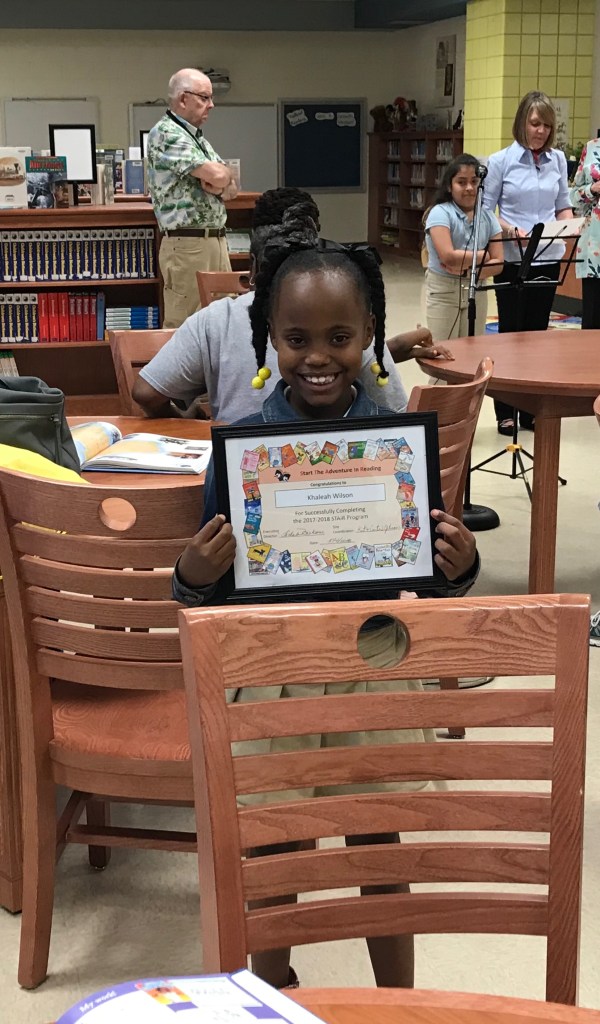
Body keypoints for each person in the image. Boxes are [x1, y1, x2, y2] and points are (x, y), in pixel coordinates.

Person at [172, 211, 480, 991]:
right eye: (297, 338)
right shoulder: (242, 451)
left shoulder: (394, 445)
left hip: (375, 663)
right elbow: (207, 593)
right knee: (277, 851)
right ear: (269, 340)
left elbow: (430, 574)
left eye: (340, 337)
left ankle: (398, 1000)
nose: (318, 357)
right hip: (275, 675)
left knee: (380, 849)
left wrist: (460, 564)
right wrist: (194, 573)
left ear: (370, 335)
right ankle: (271, 991)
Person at [133, 187, 452, 422]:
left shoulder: (217, 319)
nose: (316, 356)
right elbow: (392, 416)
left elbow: (146, 393)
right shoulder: (341, 313)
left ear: (253, 267)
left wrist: (190, 422)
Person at [483, 91, 573, 435]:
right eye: (535, 124)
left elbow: (562, 204)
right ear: (522, 122)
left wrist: (569, 225)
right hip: (512, 258)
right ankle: (505, 410)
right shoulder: (500, 161)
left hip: (547, 256)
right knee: (510, 333)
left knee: (537, 336)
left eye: (547, 126)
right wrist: (509, 230)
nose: (541, 131)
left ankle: (531, 408)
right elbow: (486, 211)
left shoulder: (557, 160)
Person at [146, 68, 238, 329]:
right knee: (185, 327)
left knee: (225, 324)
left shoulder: (196, 139)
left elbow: (231, 186)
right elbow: (219, 175)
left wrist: (220, 183)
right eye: (204, 97)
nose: (212, 105)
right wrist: (220, 178)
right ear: (183, 99)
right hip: (188, 245)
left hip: (215, 241)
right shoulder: (167, 133)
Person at [424, 153, 503, 342]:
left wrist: (467, 269)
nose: (469, 188)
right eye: (461, 182)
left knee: (473, 347)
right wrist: (484, 256)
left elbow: (499, 263)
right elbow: (448, 257)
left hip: (476, 287)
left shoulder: (488, 216)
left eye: (474, 182)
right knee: (443, 349)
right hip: (444, 290)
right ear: (449, 186)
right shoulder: (440, 213)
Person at [569, 137, 600, 329]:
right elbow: (573, 197)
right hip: (595, 250)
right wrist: (592, 189)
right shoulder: (592, 147)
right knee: (592, 324)